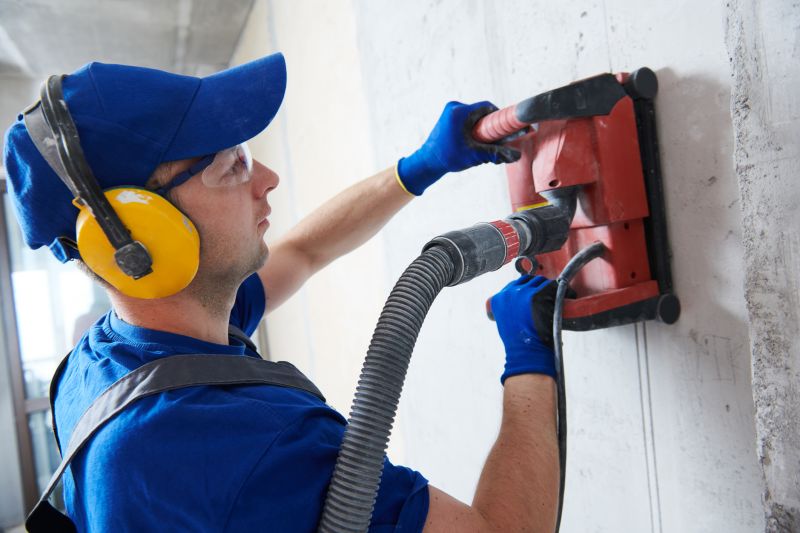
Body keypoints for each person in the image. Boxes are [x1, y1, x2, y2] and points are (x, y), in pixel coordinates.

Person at [4, 53, 559, 532]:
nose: (267, 177)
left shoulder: (117, 357)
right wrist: (529, 362)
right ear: (138, 236)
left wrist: (419, 166)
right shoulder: (236, 445)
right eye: (231, 165)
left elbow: (301, 253)